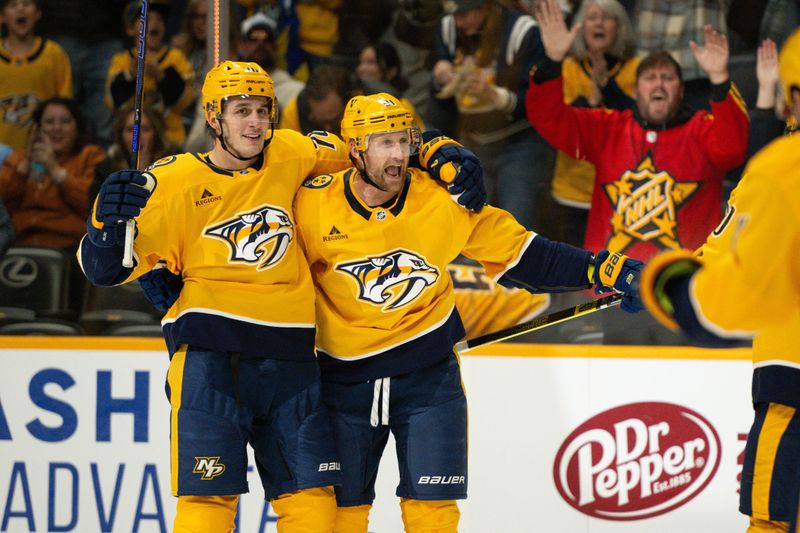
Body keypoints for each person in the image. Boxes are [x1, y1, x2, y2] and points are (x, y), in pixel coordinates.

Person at [79, 61, 486, 532]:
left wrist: (438, 148)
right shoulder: (171, 181)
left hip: (293, 366)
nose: (255, 122)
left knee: (314, 508)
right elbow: (104, 270)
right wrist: (103, 225)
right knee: (209, 503)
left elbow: (375, 149)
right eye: (241, 110)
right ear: (213, 117)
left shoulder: (294, 152)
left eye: (262, 110)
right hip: (212, 361)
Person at [291, 93, 643, 531]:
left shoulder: (441, 201)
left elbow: (526, 255)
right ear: (356, 149)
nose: (399, 154)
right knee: (340, 516)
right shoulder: (310, 205)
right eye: (385, 143)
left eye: (405, 141)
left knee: (434, 516)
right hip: (339, 382)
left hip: (427, 377)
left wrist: (602, 268)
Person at [640, 28, 800, 533]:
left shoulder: (781, 172)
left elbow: (721, 299)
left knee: (772, 522)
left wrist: (666, 282)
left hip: (792, 383)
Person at [527, 0, 749, 263]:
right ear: (635, 89)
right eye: (650, 78)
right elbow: (549, 119)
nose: (659, 85)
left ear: (680, 90)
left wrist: (720, 79)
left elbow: (733, 149)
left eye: (667, 78)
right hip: (608, 291)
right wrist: (552, 61)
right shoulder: (609, 127)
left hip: (681, 285)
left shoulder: (701, 129)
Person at [431, 0, 555, 231]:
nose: (458, 22)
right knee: (469, 227)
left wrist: (495, 96)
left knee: (516, 226)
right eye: (454, 15)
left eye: (464, 14)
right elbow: (439, 98)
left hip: (518, 142)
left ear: (484, 6)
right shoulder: (448, 27)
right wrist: (439, 79)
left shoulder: (524, 32)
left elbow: (544, 100)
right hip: (471, 142)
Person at [544, 0, 639, 246]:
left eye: (606, 17)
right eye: (592, 17)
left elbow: (641, 123)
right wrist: (591, 101)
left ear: (620, 27)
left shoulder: (637, 70)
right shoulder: (568, 69)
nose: (598, 22)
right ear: (580, 26)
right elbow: (560, 124)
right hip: (572, 192)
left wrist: (609, 90)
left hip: (624, 194)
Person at [0, 97, 105, 249]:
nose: (57, 128)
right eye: (49, 122)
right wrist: (24, 168)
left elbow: (93, 208)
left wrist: (55, 170)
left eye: (65, 121)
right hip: (17, 246)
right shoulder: (19, 158)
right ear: (37, 128)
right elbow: (3, 208)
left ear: (77, 128)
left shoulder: (90, 156)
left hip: (70, 250)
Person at [105, 0, 195, 148]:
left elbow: (185, 101)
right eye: (145, 19)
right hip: (132, 141)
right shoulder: (122, 61)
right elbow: (114, 104)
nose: (154, 23)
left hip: (171, 139)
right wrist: (130, 75)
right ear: (130, 29)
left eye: (159, 19)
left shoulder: (175, 57)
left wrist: (161, 77)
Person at [0, 0, 72, 151]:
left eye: (27, 4)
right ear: (2, 16)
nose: (20, 9)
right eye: (13, 5)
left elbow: (65, 107)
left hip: (42, 154)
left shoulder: (54, 54)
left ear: (38, 13)